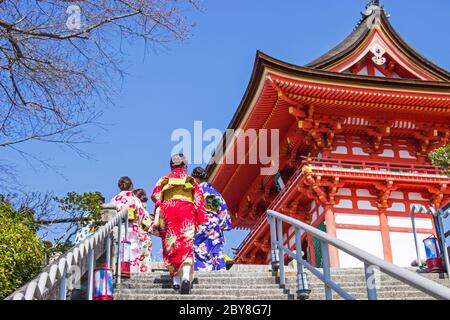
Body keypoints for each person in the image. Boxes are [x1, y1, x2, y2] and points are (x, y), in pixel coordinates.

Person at [151, 154, 208, 294]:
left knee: (171, 244)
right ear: (185, 165)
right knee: (186, 243)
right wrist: (200, 218)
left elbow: (155, 196)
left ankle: (176, 280)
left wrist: (166, 201)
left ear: (171, 165)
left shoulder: (164, 180)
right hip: (186, 212)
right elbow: (199, 199)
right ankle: (186, 277)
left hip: (168, 212)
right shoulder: (190, 180)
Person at [191, 167, 232, 272]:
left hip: (199, 224)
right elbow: (223, 212)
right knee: (216, 249)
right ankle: (220, 271)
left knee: (198, 249)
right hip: (214, 225)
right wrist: (223, 225)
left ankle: (201, 271)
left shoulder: (194, 193)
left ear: (196, 179)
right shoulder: (215, 194)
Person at [110, 176, 152, 273]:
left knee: (119, 252)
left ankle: (119, 271)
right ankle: (132, 271)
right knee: (132, 252)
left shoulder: (114, 199)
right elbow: (144, 216)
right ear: (131, 186)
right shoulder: (134, 199)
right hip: (132, 230)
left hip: (118, 229)